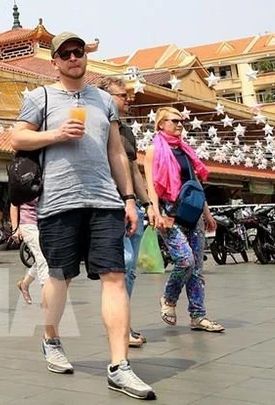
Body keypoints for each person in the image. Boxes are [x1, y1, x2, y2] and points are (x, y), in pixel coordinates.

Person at [11, 32, 154, 400]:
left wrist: (129, 198)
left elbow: (117, 154)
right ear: (55, 62)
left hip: (105, 199)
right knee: (59, 278)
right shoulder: (39, 97)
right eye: (66, 53)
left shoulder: (105, 100)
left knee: (115, 276)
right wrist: (56, 134)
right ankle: (51, 339)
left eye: (79, 51)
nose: (74, 57)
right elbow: (17, 138)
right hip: (58, 201)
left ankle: (120, 366)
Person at [144, 107, 223, 334]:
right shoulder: (153, 150)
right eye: (175, 121)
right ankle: (168, 299)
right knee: (185, 260)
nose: (180, 125)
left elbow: (195, 185)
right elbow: (151, 184)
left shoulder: (186, 151)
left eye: (182, 122)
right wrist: (155, 210)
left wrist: (207, 213)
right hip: (169, 213)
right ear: (160, 124)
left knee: (197, 268)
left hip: (193, 214)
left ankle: (198, 315)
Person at [99, 76, 150, 347]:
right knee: (124, 263)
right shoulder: (95, 126)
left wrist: (147, 203)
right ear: (107, 98)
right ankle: (119, 326)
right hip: (109, 205)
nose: (128, 100)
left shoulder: (127, 132)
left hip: (132, 204)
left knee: (130, 271)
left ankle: (124, 323)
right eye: (122, 95)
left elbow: (133, 170)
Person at [11, 197, 49, 305]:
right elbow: (14, 204)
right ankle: (46, 295)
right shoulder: (23, 182)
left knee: (42, 258)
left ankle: (24, 284)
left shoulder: (44, 181)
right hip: (28, 225)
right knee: (42, 259)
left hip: (43, 225)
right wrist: (15, 229)